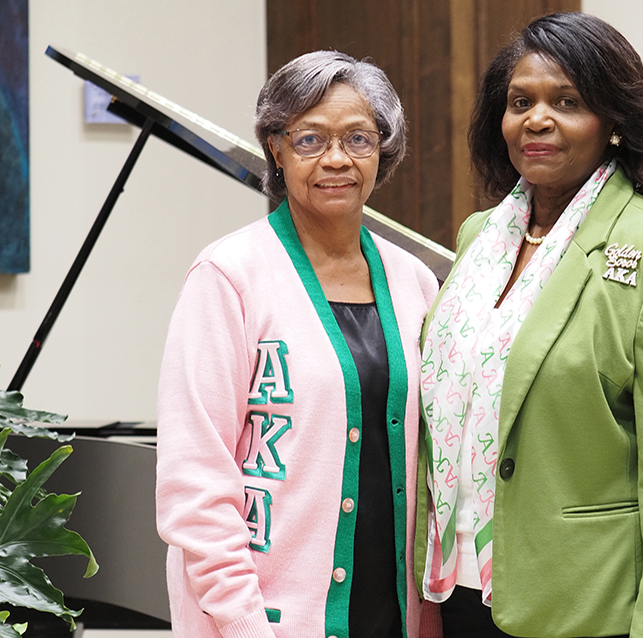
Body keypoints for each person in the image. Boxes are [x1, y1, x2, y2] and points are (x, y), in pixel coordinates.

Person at [415, 12, 643, 638]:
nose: (537, 119)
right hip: (463, 587)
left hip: (589, 603)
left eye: (568, 101)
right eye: (520, 102)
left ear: (614, 123)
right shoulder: (478, 238)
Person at [156, 50, 438, 638]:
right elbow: (195, 483)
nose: (336, 159)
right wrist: (241, 622)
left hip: (397, 614)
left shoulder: (416, 282)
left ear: (382, 149)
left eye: (358, 138)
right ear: (276, 149)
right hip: (267, 621)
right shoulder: (228, 277)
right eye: (310, 139)